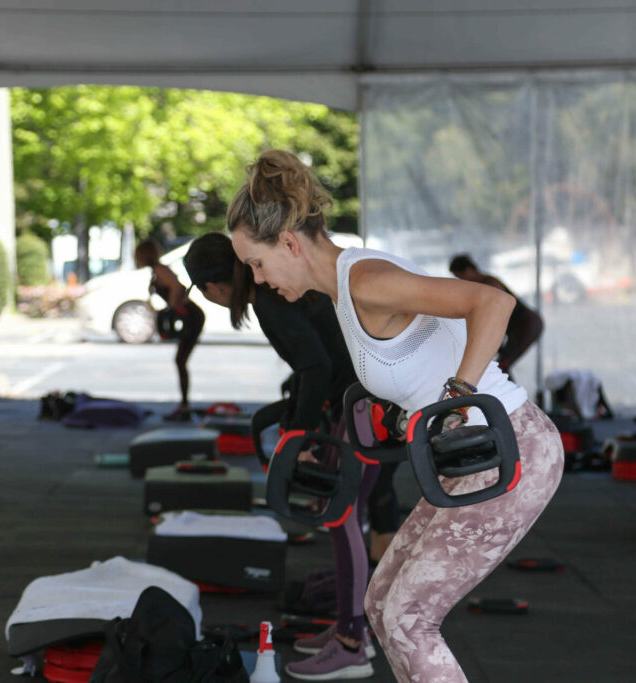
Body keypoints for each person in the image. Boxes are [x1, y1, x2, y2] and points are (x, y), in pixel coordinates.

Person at [226, 149, 564, 683]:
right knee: (381, 602)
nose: (258, 280)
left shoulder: (365, 281)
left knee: (408, 619)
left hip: (512, 453)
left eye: (257, 264)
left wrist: (459, 395)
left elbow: (492, 304)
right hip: (475, 455)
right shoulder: (347, 286)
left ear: (289, 244)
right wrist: (404, 409)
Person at [183, 232, 380, 680]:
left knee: (344, 520)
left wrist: (298, 437)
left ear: (214, 286)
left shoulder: (270, 302)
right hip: (356, 403)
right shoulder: (273, 296)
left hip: (361, 407)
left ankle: (353, 643)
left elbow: (316, 367)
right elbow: (315, 367)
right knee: (345, 521)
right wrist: (299, 421)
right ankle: (352, 632)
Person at [134, 239, 205, 421]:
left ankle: (185, 407)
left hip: (191, 316)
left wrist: (173, 306)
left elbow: (175, 286)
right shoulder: (156, 271)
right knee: (180, 361)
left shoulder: (160, 270)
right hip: (188, 316)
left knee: (180, 360)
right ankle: (184, 405)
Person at [449, 254, 544, 380]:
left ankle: (512, 397)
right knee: (500, 364)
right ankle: (510, 396)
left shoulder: (490, 284)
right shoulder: (485, 284)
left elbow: (493, 313)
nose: (461, 281)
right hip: (522, 327)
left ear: (469, 270)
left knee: (502, 366)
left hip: (526, 325)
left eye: (460, 276)